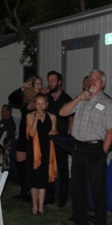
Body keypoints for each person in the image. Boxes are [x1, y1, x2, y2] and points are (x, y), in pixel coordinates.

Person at [59, 69, 112, 225]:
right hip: (78, 148)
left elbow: (111, 131)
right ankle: (80, 223)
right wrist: (78, 97)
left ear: (103, 83)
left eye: (97, 79)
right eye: (90, 78)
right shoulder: (82, 100)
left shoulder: (106, 103)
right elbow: (63, 113)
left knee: (98, 190)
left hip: (95, 149)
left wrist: (102, 153)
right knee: (77, 188)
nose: (93, 81)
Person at [8, 75, 44, 200]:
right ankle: (24, 189)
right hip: (24, 133)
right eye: (36, 84)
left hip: (36, 133)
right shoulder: (25, 98)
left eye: (40, 84)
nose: (38, 86)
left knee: (32, 163)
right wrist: (23, 87)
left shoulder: (41, 99)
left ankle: (32, 191)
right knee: (20, 160)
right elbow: (11, 98)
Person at [25, 93, 58, 215]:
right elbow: (31, 134)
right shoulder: (29, 116)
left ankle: (41, 206)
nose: (40, 106)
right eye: (38, 104)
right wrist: (36, 120)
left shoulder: (52, 117)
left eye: (42, 104)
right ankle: (34, 206)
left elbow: (54, 132)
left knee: (43, 180)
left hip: (47, 150)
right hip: (34, 151)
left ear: (47, 104)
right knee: (34, 180)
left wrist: (54, 132)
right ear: (34, 104)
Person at [46, 70, 73, 207]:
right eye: (49, 81)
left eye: (53, 81)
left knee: (62, 168)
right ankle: (49, 196)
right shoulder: (47, 99)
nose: (50, 83)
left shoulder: (66, 99)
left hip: (61, 139)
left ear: (59, 82)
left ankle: (62, 198)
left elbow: (71, 119)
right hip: (48, 138)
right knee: (48, 167)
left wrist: (67, 138)